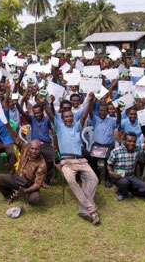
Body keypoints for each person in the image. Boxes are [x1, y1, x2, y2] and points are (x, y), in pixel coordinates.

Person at [46, 91, 101, 224]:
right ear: (63, 118)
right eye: (66, 117)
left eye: (71, 116)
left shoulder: (77, 127)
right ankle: (91, 209)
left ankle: (83, 209)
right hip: (66, 161)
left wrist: (91, 101)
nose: (69, 118)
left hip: (81, 160)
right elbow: (51, 116)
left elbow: (84, 116)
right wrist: (45, 105)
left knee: (94, 180)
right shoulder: (59, 127)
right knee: (72, 181)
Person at [0, 122, 47, 206]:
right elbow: (16, 139)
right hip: (16, 179)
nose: (34, 151)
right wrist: (7, 125)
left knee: (35, 199)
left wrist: (25, 191)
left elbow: (37, 184)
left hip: (28, 184)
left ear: (40, 150)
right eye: (32, 148)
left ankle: (25, 195)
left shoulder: (42, 164)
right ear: (29, 147)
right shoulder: (26, 148)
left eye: (37, 149)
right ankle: (9, 195)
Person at [107, 132, 145, 201]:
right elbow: (109, 164)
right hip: (119, 177)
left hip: (131, 177)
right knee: (124, 182)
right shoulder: (116, 151)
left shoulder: (136, 148)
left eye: (134, 141)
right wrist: (111, 172)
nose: (132, 143)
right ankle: (121, 192)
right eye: (129, 141)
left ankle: (129, 191)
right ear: (124, 141)